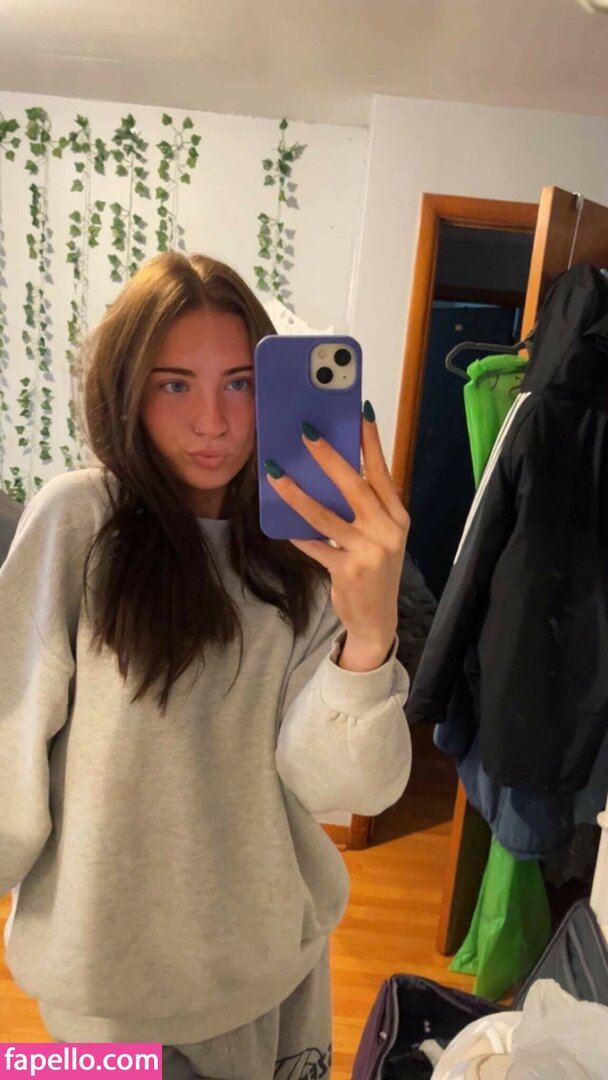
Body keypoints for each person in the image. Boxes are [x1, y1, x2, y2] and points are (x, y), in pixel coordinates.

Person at [0, 252, 412, 1079]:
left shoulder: (311, 558)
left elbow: (343, 789)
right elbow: (9, 748)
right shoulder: (79, 525)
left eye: (240, 383)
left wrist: (368, 636)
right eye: (175, 384)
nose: (213, 423)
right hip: (108, 998)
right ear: (127, 390)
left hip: (275, 974)